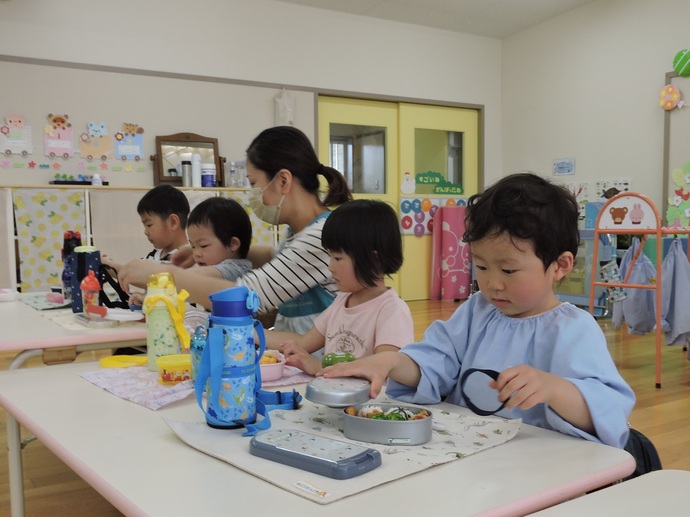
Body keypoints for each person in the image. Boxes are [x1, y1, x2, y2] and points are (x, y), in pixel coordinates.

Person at [320, 173, 635, 448]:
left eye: (509, 271)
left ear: (560, 266)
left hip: (537, 470)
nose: (493, 284)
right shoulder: (477, 311)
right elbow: (434, 363)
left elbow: (607, 410)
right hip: (471, 456)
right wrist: (389, 362)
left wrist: (553, 388)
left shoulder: (573, 329)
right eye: (481, 266)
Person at [117, 126, 352, 332]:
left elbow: (247, 295)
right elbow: (275, 257)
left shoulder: (319, 237)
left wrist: (165, 277)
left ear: (283, 181)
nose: (252, 193)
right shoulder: (299, 234)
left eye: (253, 183)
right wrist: (205, 247)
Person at [266, 200, 414, 375]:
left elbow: (383, 367)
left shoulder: (391, 310)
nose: (330, 267)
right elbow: (304, 342)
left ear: (374, 260)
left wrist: (317, 366)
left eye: (337, 258)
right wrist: (249, 332)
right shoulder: (342, 301)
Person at [103, 184, 190, 272]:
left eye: (149, 225)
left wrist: (107, 264)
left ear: (173, 222)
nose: (145, 232)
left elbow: (137, 275)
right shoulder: (154, 255)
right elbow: (128, 273)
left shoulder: (186, 259)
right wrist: (105, 263)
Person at [186, 196, 252, 281]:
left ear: (232, 244)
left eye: (203, 245)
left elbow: (201, 274)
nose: (196, 254)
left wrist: (170, 273)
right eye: (193, 247)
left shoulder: (237, 269)